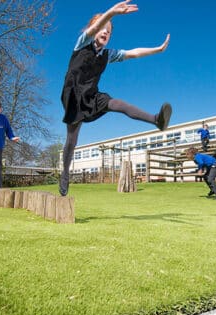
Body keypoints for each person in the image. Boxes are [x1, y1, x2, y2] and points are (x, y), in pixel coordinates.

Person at [59, 0, 172, 196]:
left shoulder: (107, 55)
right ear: (93, 29)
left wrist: (158, 49)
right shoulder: (82, 43)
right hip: (74, 96)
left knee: (116, 103)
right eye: (102, 28)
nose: (104, 32)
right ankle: (65, 173)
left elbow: (133, 53)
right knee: (72, 140)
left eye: (109, 31)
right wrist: (111, 12)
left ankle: (157, 120)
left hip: (92, 95)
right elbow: (95, 26)